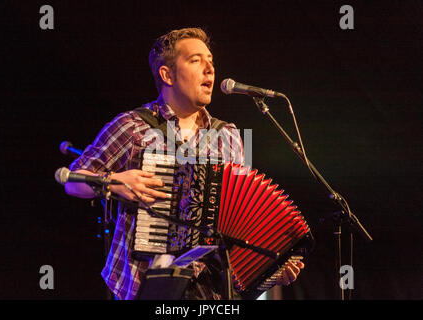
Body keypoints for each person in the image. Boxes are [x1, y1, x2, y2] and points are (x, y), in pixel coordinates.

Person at [64, 27, 304, 300]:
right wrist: (114, 182)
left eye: (211, 61)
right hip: (145, 285)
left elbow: (238, 224)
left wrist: (269, 270)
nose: (209, 69)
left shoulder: (228, 136)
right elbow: (73, 181)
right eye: (195, 60)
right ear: (167, 75)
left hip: (212, 291)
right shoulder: (132, 127)